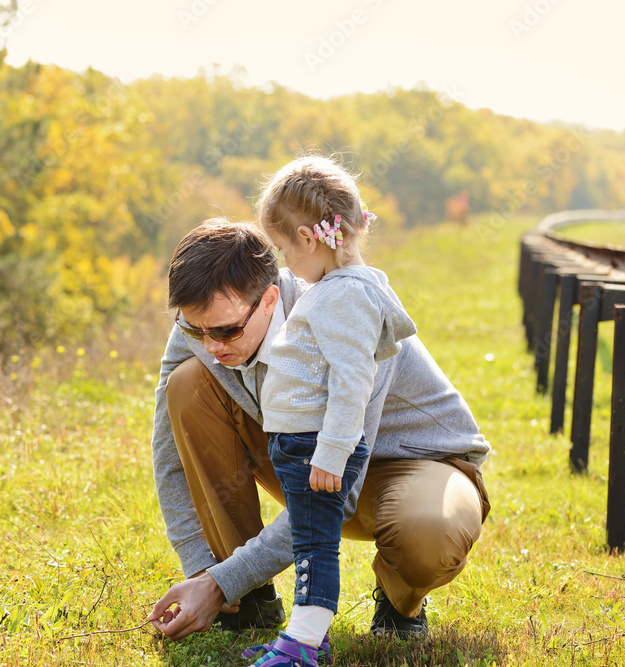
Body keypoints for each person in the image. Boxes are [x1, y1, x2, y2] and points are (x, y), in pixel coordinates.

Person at [147, 212, 491, 650]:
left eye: (226, 331)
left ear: (270, 300)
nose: (211, 346)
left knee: (426, 538)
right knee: (187, 385)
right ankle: (247, 602)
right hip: (307, 457)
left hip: (414, 463)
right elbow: (170, 454)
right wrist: (202, 570)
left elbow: (338, 491)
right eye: (193, 328)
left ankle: (399, 597)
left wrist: (216, 584)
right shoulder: (203, 329)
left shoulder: (345, 316)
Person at [243, 157, 416, 666]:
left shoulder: (344, 297)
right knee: (308, 543)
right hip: (304, 440)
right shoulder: (340, 288)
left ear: (308, 237)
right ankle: (305, 638)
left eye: (282, 248)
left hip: (314, 444)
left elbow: (352, 382)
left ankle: (299, 648)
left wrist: (332, 451)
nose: (284, 262)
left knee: (315, 549)